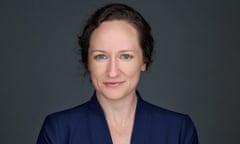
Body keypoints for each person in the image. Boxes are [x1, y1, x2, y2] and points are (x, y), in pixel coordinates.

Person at [37, 3, 198, 144]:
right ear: (88, 62)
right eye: (101, 56)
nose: (112, 72)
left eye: (125, 56)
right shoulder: (59, 130)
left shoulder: (179, 130)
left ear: (144, 61)